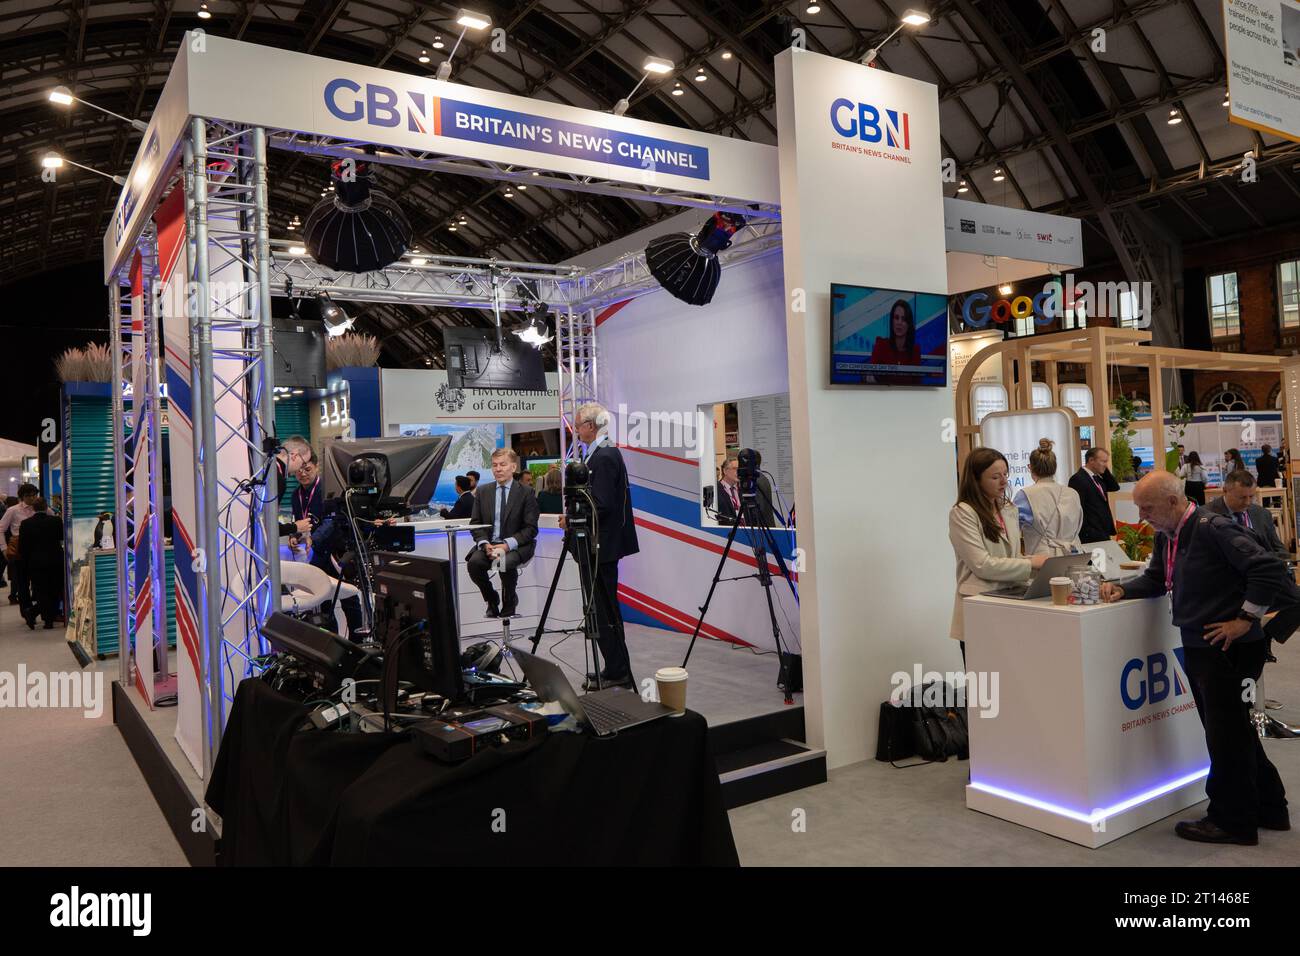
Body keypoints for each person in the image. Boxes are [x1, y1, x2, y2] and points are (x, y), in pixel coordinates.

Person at [1100, 471, 1289, 844]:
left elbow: (1268, 569)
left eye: (1147, 508)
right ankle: (1269, 807)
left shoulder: (1211, 528)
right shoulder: (1170, 534)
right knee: (1236, 733)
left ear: (1173, 501)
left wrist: (1244, 618)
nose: (1142, 516)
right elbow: (1157, 578)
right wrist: (1122, 589)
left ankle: (1232, 821)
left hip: (1226, 648)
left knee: (1225, 737)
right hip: (1204, 647)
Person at [950, 449, 1049, 660]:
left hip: (1010, 602)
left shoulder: (1008, 508)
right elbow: (982, 565)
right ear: (976, 480)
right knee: (986, 685)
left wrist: (1037, 562)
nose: (1003, 481)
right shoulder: (963, 513)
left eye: (1005, 474)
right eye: (995, 477)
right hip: (979, 607)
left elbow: (1010, 557)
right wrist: (1031, 564)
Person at [568, 402, 639, 689]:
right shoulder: (600, 454)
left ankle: (618, 670)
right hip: (600, 545)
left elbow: (603, 503)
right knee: (600, 607)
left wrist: (573, 514)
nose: (574, 430)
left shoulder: (605, 456)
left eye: (577, 425)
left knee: (604, 608)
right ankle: (613, 668)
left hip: (602, 547)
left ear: (590, 426)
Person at [466, 448, 539, 619]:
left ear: (513, 468)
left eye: (503, 465)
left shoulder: (526, 493)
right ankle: (492, 599)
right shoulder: (483, 492)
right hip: (489, 544)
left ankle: (509, 601)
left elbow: (531, 529)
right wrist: (484, 544)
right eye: (494, 465)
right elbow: (476, 524)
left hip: (516, 545)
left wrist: (507, 545)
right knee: (474, 564)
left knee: (503, 561)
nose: (498, 469)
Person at [1013, 438, 1083, 556]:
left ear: (1030, 467)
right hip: (1074, 554)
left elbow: (1012, 529)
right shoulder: (1072, 493)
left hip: (1043, 559)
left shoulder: (1025, 495)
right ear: (1055, 467)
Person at [1208, 470, 1288, 558]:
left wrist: (1263, 560)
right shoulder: (1208, 516)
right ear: (1225, 491)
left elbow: (1281, 551)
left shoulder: (1262, 514)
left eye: (1251, 496)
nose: (1247, 502)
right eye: (1242, 497)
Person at [19, 497, 63, 629]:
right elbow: (61, 537)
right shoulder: (55, 521)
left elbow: (23, 547)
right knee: (55, 590)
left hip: (36, 563)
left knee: (41, 591)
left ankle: (37, 614)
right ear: (46, 507)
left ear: (33, 508)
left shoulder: (25, 524)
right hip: (55, 561)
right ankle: (42, 616)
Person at [1068, 447, 1120, 544]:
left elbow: (1114, 487)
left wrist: (1103, 469)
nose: (1106, 465)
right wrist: (1086, 532)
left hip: (1102, 531)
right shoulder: (1078, 479)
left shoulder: (1098, 478)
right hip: (1090, 534)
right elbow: (1078, 508)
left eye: (1106, 462)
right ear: (1091, 460)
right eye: (1103, 461)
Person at [0, 484, 38, 615]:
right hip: (19, 548)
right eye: (28, 495)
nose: (32, 498)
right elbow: (1, 528)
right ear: (22, 497)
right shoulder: (13, 510)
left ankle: (36, 609)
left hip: (37, 549)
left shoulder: (40, 508)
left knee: (38, 581)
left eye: (34, 495)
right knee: (22, 582)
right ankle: (26, 610)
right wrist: (4, 548)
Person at [868, 299, 922, 385]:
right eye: (896, 318)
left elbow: (918, 385)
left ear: (909, 323)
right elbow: (870, 377)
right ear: (892, 321)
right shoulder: (881, 345)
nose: (899, 322)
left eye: (903, 319)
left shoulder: (915, 351)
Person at [716, 457, 741, 523]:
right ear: (725, 471)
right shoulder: (716, 490)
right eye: (735, 469)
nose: (738, 472)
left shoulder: (742, 489)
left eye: (739, 469)